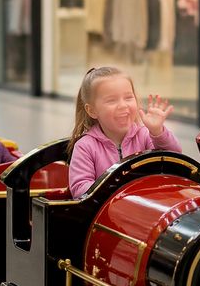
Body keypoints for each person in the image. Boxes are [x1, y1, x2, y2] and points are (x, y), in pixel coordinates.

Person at [68, 66, 182, 198]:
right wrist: (119, 189)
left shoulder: (144, 135)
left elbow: (174, 159)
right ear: (92, 111)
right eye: (111, 100)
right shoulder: (85, 146)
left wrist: (157, 131)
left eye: (128, 98)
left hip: (147, 203)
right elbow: (79, 189)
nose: (123, 105)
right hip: (109, 209)